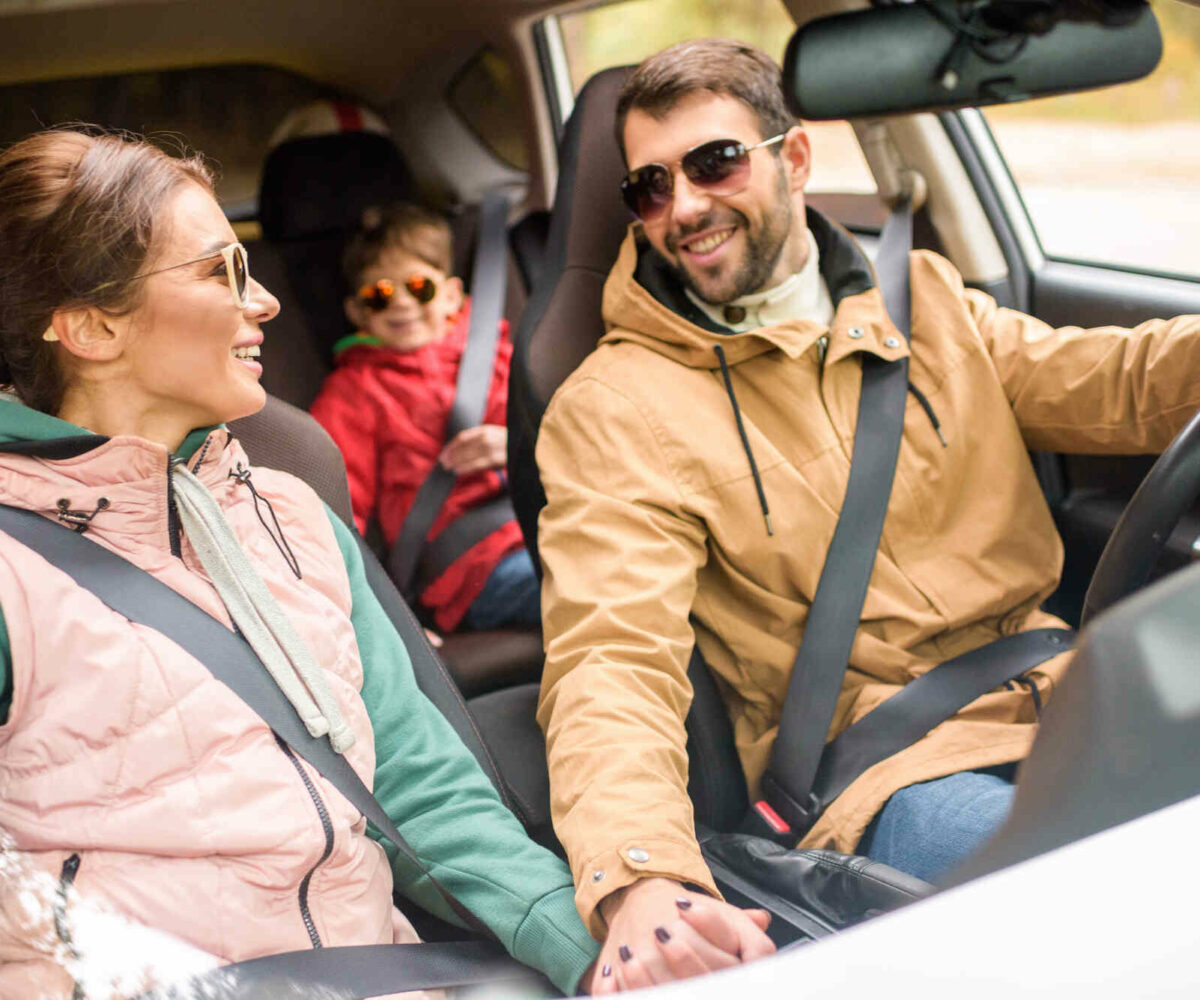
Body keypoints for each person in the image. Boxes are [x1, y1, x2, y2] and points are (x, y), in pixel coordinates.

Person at [533, 38, 1200, 991]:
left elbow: (1116, 381)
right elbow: (610, 656)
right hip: (896, 769)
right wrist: (639, 881)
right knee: (1140, 914)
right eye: (648, 187)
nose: (681, 207)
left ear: (794, 159)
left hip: (1073, 694)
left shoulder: (923, 298)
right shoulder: (613, 410)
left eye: (714, 163)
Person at [0, 128, 607, 999]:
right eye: (221, 272)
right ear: (93, 326)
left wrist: (593, 946)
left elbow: (419, 795)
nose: (269, 304)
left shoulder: (290, 508)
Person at [310, 203, 539, 634]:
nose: (401, 302)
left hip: (546, 523)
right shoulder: (355, 392)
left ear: (451, 294)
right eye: (378, 295)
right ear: (358, 313)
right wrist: (379, 618)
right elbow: (334, 511)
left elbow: (570, 435)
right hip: (467, 572)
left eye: (419, 287)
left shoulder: (499, 354)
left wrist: (515, 447)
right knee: (585, 584)